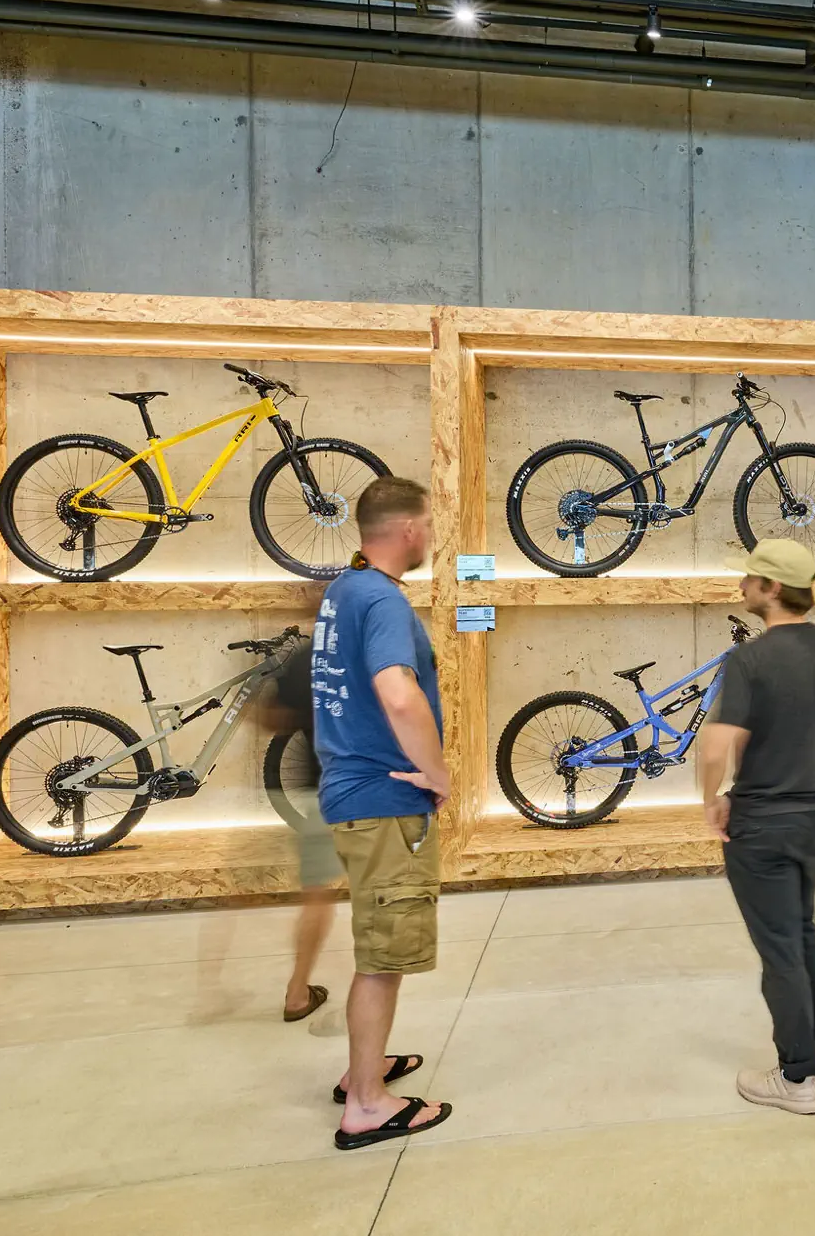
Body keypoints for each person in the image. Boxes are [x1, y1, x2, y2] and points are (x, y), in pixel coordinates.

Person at [697, 538, 815, 1116]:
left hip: (760, 823)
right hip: (813, 814)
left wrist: (711, 799)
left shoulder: (750, 660)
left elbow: (715, 746)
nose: (741, 586)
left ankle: (796, 1077)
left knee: (779, 949)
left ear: (772, 589)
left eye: (750, 579)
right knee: (801, 928)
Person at [313, 475, 453, 1149]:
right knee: (382, 953)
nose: (431, 535)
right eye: (429, 523)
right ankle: (367, 1103)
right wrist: (438, 772)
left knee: (379, 946)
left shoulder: (345, 590)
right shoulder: (383, 599)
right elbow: (398, 693)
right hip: (384, 798)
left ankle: (363, 1069)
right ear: (409, 529)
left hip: (352, 790)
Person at [253, 634, 341, 1023]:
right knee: (381, 895)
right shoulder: (374, 644)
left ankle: (297, 992)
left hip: (321, 791)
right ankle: (374, 989)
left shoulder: (309, 656)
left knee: (316, 896)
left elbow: (271, 721)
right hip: (374, 792)